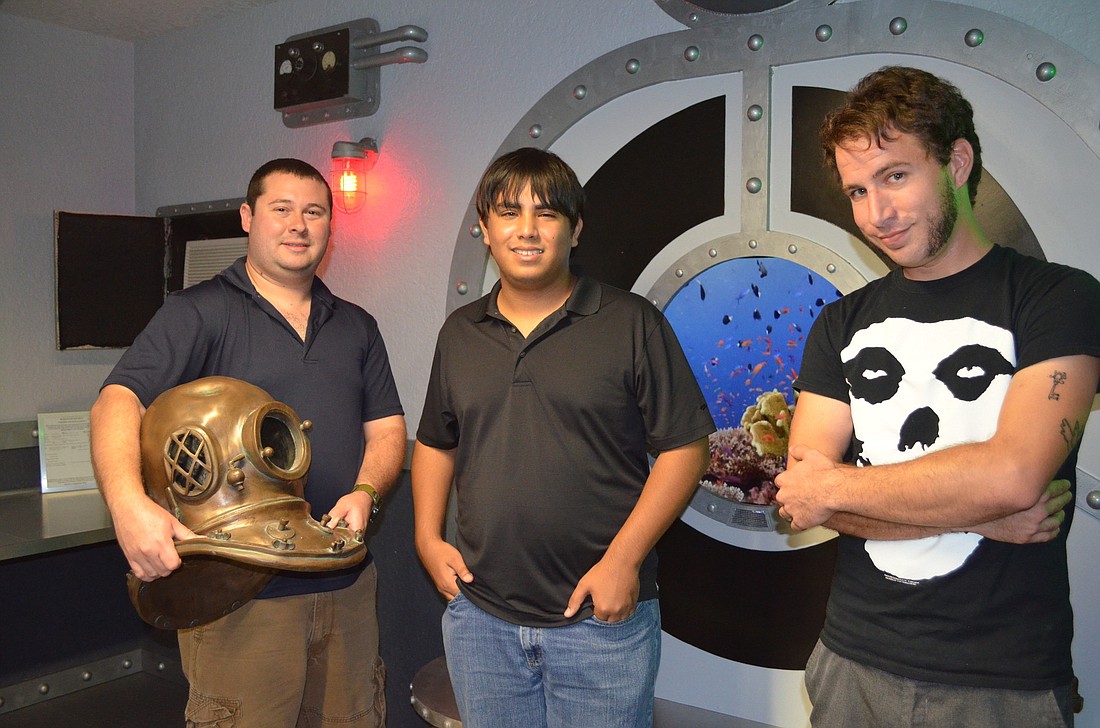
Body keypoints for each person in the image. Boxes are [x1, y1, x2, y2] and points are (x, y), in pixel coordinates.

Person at [773, 66, 1100, 727]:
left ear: (956, 160)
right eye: (857, 191)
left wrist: (841, 487)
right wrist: (978, 515)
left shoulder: (1060, 299)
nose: (876, 214)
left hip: (1001, 684)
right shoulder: (840, 323)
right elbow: (804, 497)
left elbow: (1012, 474)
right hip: (850, 663)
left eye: (895, 176)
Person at [90, 158, 406, 727]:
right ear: (247, 217)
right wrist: (128, 505)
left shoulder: (357, 325)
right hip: (238, 595)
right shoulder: (198, 312)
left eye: (314, 212)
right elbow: (117, 400)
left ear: (330, 228)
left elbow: (386, 430)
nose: (298, 225)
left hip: (347, 585)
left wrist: (366, 493)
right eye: (281, 209)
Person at [412, 147, 715, 728]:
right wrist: (426, 537)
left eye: (547, 214)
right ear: (485, 229)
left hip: (599, 621)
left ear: (575, 230)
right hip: (481, 620)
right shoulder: (460, 333)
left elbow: (686, 446)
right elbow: (435, 440)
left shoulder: (631, 322)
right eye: (508, 212)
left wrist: (622, 562)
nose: (527, 230)